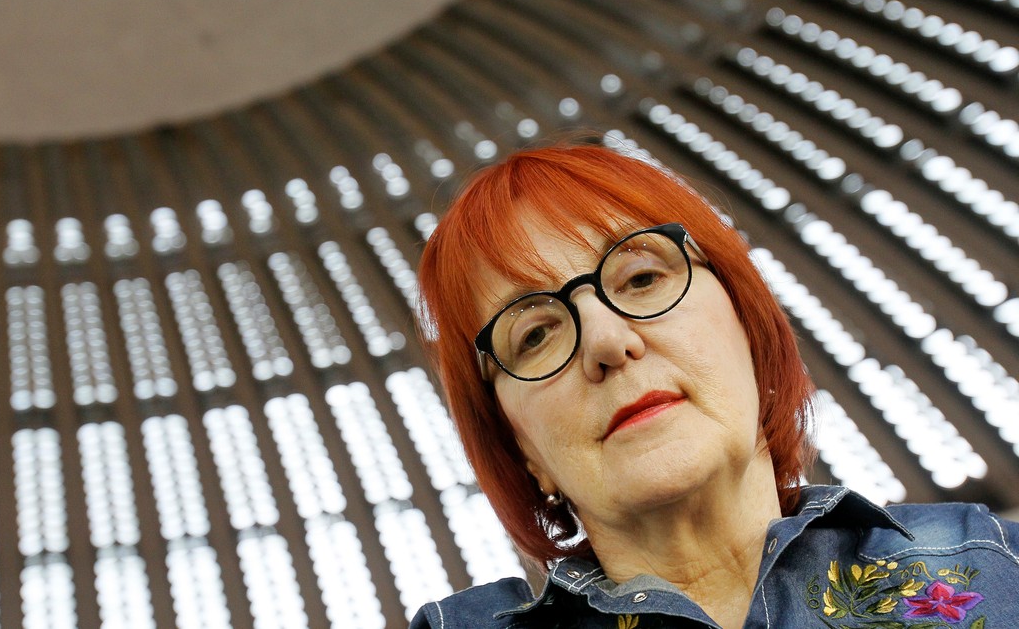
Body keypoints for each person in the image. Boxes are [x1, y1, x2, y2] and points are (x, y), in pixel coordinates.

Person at [410, 143, 1019, 628]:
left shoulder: (997, 564)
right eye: (536, 335)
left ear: (748, 330)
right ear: (521, 447)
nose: (607, 342)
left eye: (642, 278)